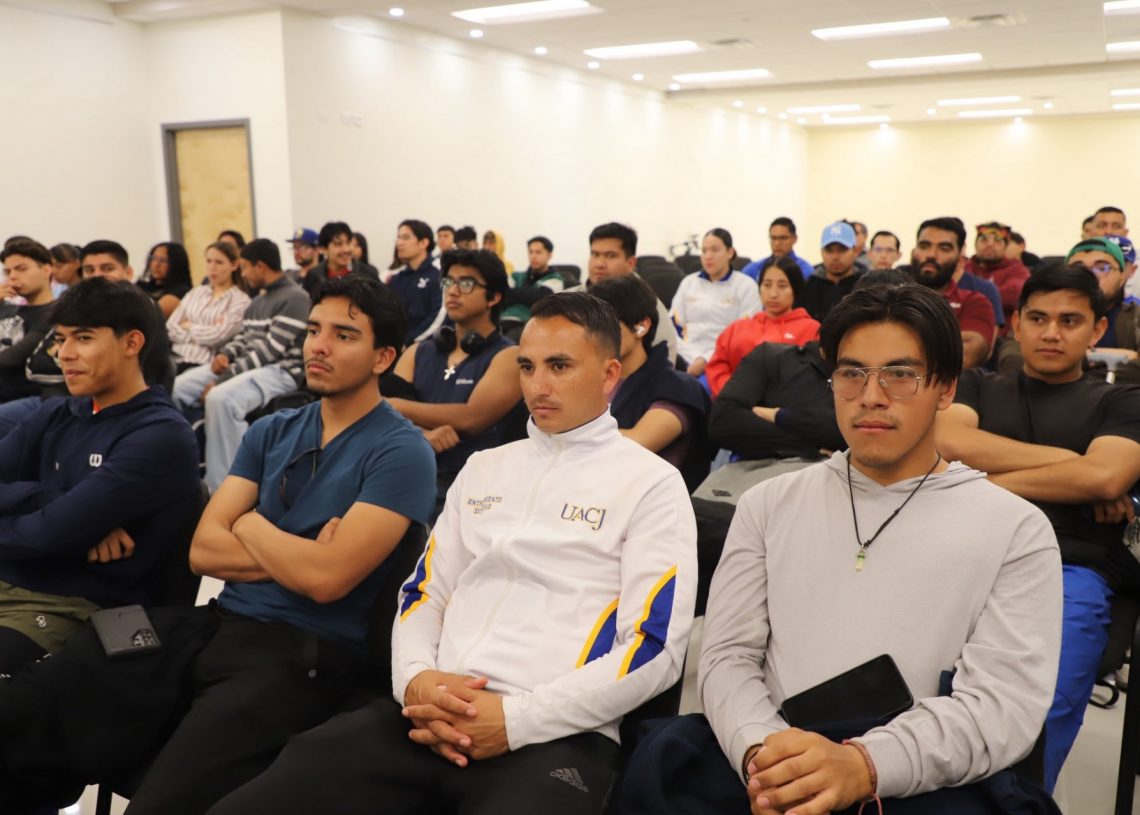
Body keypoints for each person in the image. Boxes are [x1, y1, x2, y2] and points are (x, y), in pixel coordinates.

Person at [205, 291, 697, 815]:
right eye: (527, 367)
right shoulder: (485, 469)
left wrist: (514, 720)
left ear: (609, 374)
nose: (538, 386)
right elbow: (424, 594)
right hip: (427, 713)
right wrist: (416, 681)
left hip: (556, 733)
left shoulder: (650, 485)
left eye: (559, 366)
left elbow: (654, 647)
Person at [623, 282, 1062, 815]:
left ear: (946, 388)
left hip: (919, 779)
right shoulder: (768, 505)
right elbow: (727, 656)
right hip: (766, 762)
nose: (871, 396)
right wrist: (764, 756)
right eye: (852, 374)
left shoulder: (1015, 529)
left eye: (900, 375)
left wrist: (863, 765)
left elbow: (1001, 706)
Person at [80, 275, 436, 815]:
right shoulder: (272, 429)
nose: (318, 346)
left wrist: (247, 523)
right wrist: (300, 550)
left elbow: (325, 580)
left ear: (383, 357)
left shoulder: (402, 451)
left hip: (300, 650)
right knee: (90, 652)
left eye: (343, 335)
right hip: (219, 621)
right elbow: (203, 552)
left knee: (161, 795)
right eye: (314, 330)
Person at [936, 262, 1140, 791]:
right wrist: (1072, 465)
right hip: (961, 559)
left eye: (1070, 320)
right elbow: (950, 443)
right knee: (924, 699)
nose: (1052, 332)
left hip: (1069, 571)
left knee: (1038, 718)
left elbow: (1107, 475)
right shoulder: (975, 386)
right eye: (1039, 318)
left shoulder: (1121, 400)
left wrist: (981, 480)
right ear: (1017, 323)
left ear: (1097, 329)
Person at [0, 277, 199, 675]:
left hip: (73, 606)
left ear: (132, 343)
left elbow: (47, 534)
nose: (65, 354)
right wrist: (54, 500)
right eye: (61, 339)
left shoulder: (160, 435)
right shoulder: (55, 413)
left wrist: (56, 518)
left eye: (84, 338)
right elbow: (54, 525)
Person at [388, 249, 522, 519]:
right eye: (448, 282)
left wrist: (394, 404)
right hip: (410, 472)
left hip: (471, 487)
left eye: (466, 283)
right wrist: (421, 434)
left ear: (494, 297)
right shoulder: (418, 352)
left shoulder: (509, 356)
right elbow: (382, 418)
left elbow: (472, 418)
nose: (453, 291)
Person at [172, 239, 310, 492]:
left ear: (260, 266)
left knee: (221, 399)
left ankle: (224, 487)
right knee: (177, 388)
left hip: (281, 371)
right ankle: (184, 470)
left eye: (244, 267)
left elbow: (269, 351)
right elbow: (244, 340)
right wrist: (226, 354)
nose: (243, 274)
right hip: (248, 366)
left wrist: (222, 379)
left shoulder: (296, 298)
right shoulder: (258, 301)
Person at [0, 240, 173, 436]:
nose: (97, 276)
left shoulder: (144, 312)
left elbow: (153, 370)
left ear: (128, 272)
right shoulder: (73, 313)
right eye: (89, 270)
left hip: (95, 406)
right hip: (63, 402)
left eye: (107, 268)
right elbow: (37, 365)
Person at [591, 275, 709, 487]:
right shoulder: (592, 381)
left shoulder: (679, 388)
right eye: (591, 328)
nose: (596, 337)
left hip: (650, 500)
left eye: (606, 326)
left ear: (641, 327)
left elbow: (637, 442)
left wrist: (567, 433)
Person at [706, 256, 818, 397]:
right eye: (767, 285)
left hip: (787, 407)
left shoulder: (812, 330)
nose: (773, 294)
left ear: (795, 289)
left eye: (782, 286)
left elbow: (815, 378)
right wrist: (737, 394)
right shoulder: (736, 328)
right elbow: (717, 367)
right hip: (735, 402)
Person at [905, 217, 996, 370]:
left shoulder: (974, 302)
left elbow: (967, 355)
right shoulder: (889, 294)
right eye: (924, 246)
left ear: (960, 259)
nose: (931, 254)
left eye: (944, 248)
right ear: (914, 252)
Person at [670, 228, 761, 378]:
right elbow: (674, 327)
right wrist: (695, 358)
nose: (708, 256)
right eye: (704, 251)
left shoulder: (746, 286)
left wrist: (707, 360)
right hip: (687, 359)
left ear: (730, 252)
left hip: (725, 361)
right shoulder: (688, 283)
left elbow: (743, 335)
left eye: (715, 250)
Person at [585, 222, 677, 363]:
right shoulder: (569, 298)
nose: (599, 264)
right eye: (595, 254)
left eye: (611, 256)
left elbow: (667, 358)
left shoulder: (647, 305)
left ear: (630, 263)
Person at [166, 242, 252, 371]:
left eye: (219, 262)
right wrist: (205, 331)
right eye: (209, 261)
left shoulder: (240, 300)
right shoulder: (196, 292)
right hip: (173, 357)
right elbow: (170, 327)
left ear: (234, 265)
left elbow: (217, 337)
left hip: (202, 363)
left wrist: (188, 326)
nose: (212, 267)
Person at [0, 239, 57, 402]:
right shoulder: (6, 308)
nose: (13, 276)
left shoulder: (55, 313)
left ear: (46, 270)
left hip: (21, 399)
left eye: (21, 269)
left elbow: (9, 360)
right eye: (8, 271)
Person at [1066, 237, 1137, 351]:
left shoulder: (1135, 318)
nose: (1090, 275)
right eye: (1078, 268)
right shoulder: (1045, 315)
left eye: (1102, 268)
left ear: (1122, 277)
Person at [963, 222, 1029, 332]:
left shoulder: (1017, 270)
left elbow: (1014, 295)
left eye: (997, 241)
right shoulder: (963, 267)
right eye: (984, 240)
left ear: (1005, 246)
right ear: (975, 245)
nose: (990, 245)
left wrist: (969, 296)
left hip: (1004, 335)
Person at [389, 219, 442, 344]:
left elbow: (440, 316)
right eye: (398, 238)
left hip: (428, 346)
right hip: (398, 346)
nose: (399, 243)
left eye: (406, 238)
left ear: (423, 243)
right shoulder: (397, 278)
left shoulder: (439, 273)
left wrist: (411, 342)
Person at [499, 236, 564, 336]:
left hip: (529, 326)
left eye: (538, 252)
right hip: (502, 320)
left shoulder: (555, 279)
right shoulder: (516, 276)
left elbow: (542, 299)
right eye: (530, 252)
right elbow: (503, 294)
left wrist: (515, 293)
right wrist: (529, 295)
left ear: (549, 255)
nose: (533, 256)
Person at [800, 221, 862, 323]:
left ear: (855, 251)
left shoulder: (865, 285)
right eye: (829, 250)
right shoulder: (808, 285)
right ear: (821, 251)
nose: (835, 257)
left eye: (842, 250)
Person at [302, 221, 380, 297]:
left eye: (348, 243)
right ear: (323, 249)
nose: (346, 250)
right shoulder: (314, 276)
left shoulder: (367, 274)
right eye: (338, 244)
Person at [741, 217, 815, 283]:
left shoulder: (805, 271)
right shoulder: (754, 269)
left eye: (783, 238)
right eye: (773, 238)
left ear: (794, 239)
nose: (777, 243)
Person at [139, 242, 193, 318]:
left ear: (176, 264)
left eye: (163, 260)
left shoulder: (180, 292)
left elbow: (150, 317)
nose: (156, 265)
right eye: (153, 258)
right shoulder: (141, 286)